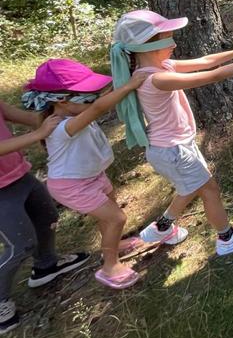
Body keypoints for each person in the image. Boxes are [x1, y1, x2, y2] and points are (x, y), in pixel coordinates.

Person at [111, 9, 233, 255]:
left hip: (175, 147)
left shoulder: (162, 65)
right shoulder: (156, 78)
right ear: (148, 46)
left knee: (191, 186)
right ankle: (227, 238)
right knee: (209, 190)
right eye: (168, 38)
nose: (174, 43)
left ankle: (163, 227)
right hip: (172, 150)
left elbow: (207, 61)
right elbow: (212, 75)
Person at [21, 60, 148, 289]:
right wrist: (128, 86)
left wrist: (124, 76)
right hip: (72, 185)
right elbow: (99, 107)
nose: (94, 100)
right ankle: (110, 267)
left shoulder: (71, 113)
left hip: (92, 175)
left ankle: (115, 244)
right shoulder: (61, 127)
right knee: (116, 218)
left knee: (109, 214)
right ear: (61, 100)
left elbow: (97, 102)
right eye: (88, 96)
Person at [1, 101, 89, 334]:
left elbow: (27, 118)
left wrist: (69, 114)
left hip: (19, 175)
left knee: (47, 216)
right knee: (20, 246)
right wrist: (40, 134)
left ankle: (46, 265)